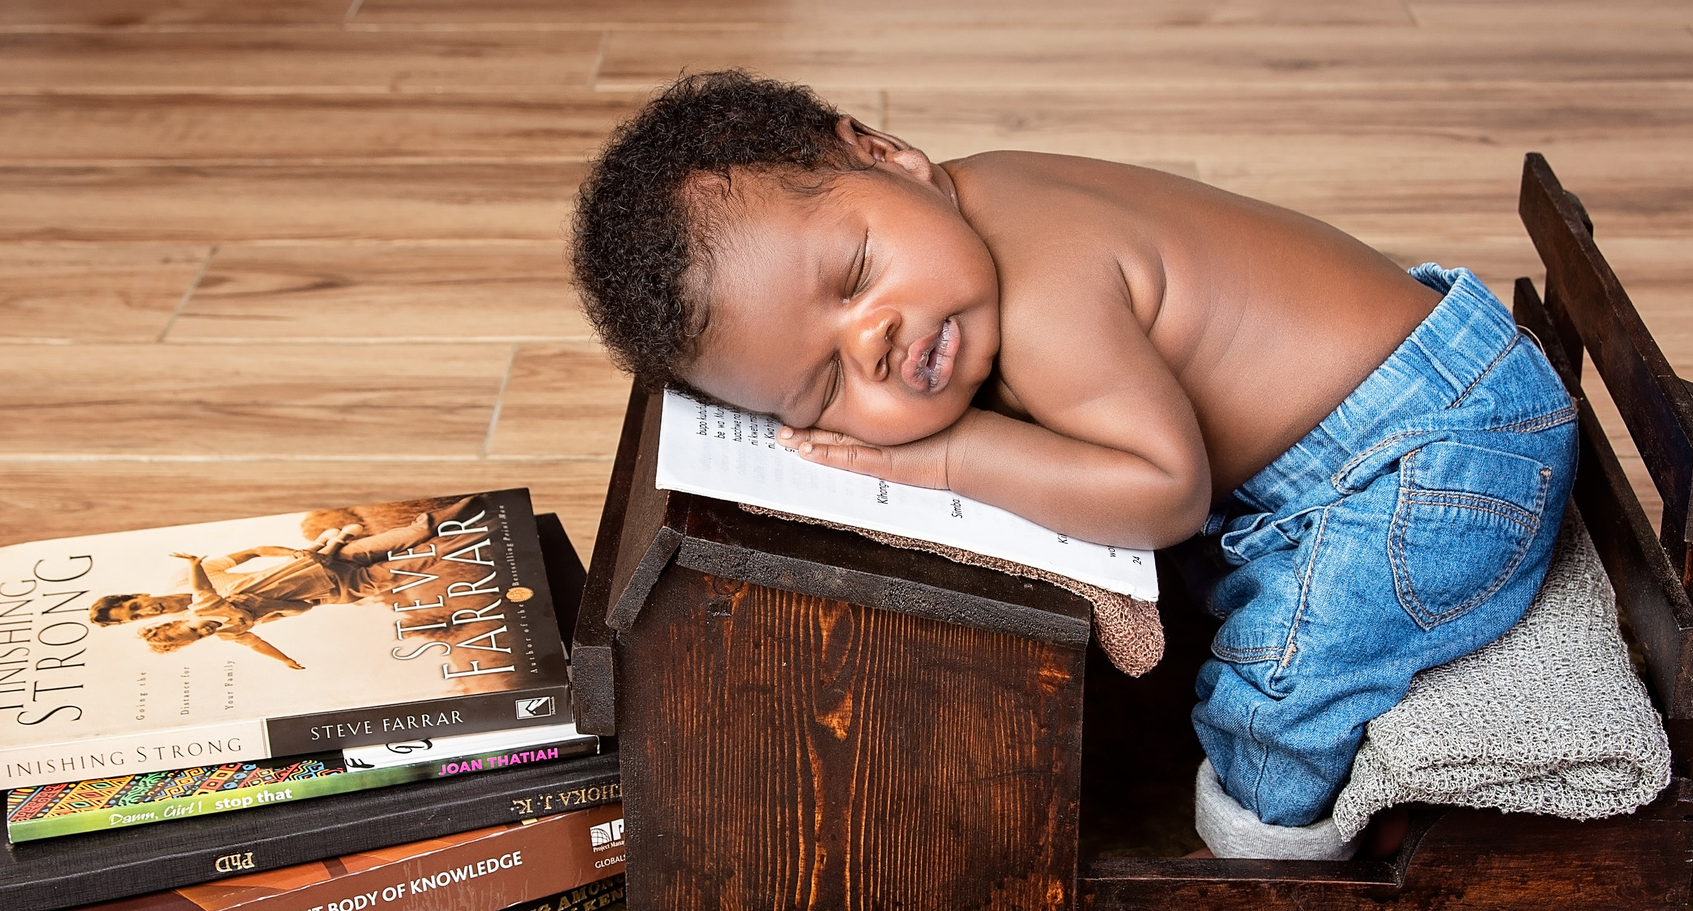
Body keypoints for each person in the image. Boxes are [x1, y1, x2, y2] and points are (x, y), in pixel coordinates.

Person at [569, 71, 1578, 838]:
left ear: (883, 153)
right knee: (1189, 590)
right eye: (826, 386)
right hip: (1399, 398)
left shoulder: (1046, 292)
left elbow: (1169, 490)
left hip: (1438, 457)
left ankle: (1265, 864)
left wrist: (953, 454)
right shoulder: (978, 199)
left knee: (1272, 684)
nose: (875, 340)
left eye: (857, 272)